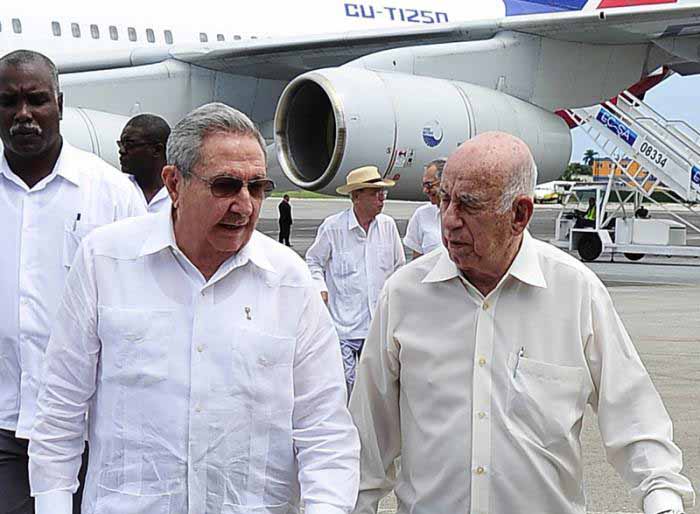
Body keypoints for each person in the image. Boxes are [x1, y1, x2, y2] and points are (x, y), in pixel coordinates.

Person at [28, 102, 359, 514]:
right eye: (225, 185)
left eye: (257, 187)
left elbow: (324, 430)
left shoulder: (288, 281)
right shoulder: (106, 260)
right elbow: (60, 410)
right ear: (174, 183)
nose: (244, 205)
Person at [349, 132, 695, 514]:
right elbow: (368, 441)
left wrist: (661, 499)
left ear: (520, 214)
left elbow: (634, 416)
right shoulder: (403, 294)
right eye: (444, 199)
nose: (449, 220)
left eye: (468, 205)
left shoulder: (575, 292)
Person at [0, 50, 145, 514]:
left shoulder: (111, 193)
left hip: (89, 428)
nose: (23, 115)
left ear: (59, 104)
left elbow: (147, 304)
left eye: (36, 100)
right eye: (8, 102)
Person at [306, 166, 405, 395]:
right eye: (374, 193)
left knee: (379, 391)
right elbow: (313, 261)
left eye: (383, 193)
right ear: (356, 196)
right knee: (344, 391)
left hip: (378, 325)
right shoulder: (333, 227)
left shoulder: (387, 226)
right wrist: (320, 288)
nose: (381, 198)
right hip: (344, 327)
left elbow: (399, 269)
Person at [117, 113, 171, 213]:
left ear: (157, 150)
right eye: (121, 144)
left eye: (129, 144)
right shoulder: (116, 188)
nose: (121, 150)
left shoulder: (182, 195)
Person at [403, 158, 444, 259]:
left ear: (445, 182)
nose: (425, 190)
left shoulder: (467, 215)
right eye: (424, 185)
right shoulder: (422, 215)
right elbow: (417, 262)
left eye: (429, 185)